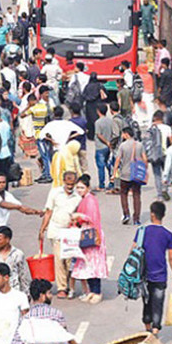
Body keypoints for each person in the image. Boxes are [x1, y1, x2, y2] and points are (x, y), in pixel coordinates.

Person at [0, 279, 79, 344]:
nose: (51, 296)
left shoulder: (26, 318)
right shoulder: (56, 314)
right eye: (49, 293)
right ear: (42, 296)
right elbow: (64, 340)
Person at [133, 202, 172, 336]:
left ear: (152, 214)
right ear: (163, 215)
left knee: (146, 301)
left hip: (144, 274)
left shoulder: (142, 232)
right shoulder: (168, 235)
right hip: (160, 275)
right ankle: (155, 330)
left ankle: (147, 328)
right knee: (158, 303)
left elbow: (134, 251)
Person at [38, 171, 82, 297]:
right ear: (63, 182)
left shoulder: (78, 197)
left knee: (69, 260)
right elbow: (48, 212)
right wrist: (42, 229)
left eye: (72, 184)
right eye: (68, 184)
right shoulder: (55, 193)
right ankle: (61, 287)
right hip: (56, 230)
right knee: (59, 258)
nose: (70, 187)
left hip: (70, 232)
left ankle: (67, 283)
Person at [0, 172, 37, 260]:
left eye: (3, 183)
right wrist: (18, 207)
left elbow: (21, 207)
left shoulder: (7, 195)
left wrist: (36, 211)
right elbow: (2, 204)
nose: (2, 185)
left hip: (1, 234)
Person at [70, 175, 109, 304]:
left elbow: (92, 218)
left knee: (94, 265)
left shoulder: (90, 200)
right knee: (88, 265)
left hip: (92, 234)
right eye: (78, 188)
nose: (79, 190)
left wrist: (79, 215)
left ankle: (97, 291)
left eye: (82, 187)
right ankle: (92, 291)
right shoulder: (84, 199)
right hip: (86, 234)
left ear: (88, 188)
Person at [0, 226, 31, 293]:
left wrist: (26, 293)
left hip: (14, 291)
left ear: (7, 239)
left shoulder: (18, 254)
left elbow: (24, 275)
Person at [115, 127, 147, 225]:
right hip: (136, 174)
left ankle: (126, 214)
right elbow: (145, 159)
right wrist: (144, 170)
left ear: (126, 134)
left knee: (123, 194)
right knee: (136, 195)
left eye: (123, 134)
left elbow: (118, 159)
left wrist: (114, 172)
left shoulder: (122, 146)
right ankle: (136, 218)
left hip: (125, 173)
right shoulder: (139, 145)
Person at [21, 91, 52, 183]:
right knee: (47, 154)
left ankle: (48, 175)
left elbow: (22, 115)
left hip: (39, 134)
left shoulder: (33, 109)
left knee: (44, 155)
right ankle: (45, 173)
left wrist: (28, 107)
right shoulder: (44, 107)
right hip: (47, 134)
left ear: (30, 101)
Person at [148, 111, 170, 201]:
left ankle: (159, 194)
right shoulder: (167, 128)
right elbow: (170, 141)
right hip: (166, 153)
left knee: (157, 174)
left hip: (155, 155)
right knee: (167, 173)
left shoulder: (151, 128)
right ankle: (165, 188)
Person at [94, 103, 113, 192]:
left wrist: (106, 142)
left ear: (98, 111)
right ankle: (112, 182)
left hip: (100, 147)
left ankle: (101, 185)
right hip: (109, 147)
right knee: (109, 165)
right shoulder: (110, 121)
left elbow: (99, 134)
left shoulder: (98, 122)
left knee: (101, 166)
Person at [82, 72, 106, 141]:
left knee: (89, 120)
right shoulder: (99, 85)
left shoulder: (87, 86)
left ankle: (91, 135)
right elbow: (105, 94)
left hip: (89, 105)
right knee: (97, 120)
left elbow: (83, 95)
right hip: (97, 104)